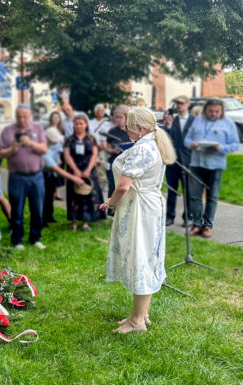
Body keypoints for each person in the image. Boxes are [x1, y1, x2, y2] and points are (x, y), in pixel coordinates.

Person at [100, 107, 176, 334]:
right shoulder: (151, 142)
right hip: (147, 204)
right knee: (146, 255)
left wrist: (111, 203)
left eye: (128, 125)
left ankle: (137, 322)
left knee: (140, 256)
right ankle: (141, 313)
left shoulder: (143, 149)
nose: (125, 129)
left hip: (141, 209)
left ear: (140, 128)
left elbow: (123, 185)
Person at [184, 98, 240, 238]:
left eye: (217, 111)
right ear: (205, 110)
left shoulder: (228, 123)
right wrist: (192, 144)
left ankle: (207, 225)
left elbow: (235, 145)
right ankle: (196, 224)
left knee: (212, 196)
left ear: (221, 111)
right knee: (195, 196)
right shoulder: (197, 120)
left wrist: (220, 148)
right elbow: (187, 139)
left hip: (215, 165)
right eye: (211, 111)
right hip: (196, 163)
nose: (214, 113)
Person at [0, 104, 47, 250]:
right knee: (17, 210)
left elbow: (44, 149)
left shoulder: (38, 128)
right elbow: (0, 154)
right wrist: (12, 149)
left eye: (24, 116)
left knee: (37, 209)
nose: (22, 119)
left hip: (36, 176)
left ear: (30, 116)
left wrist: (30, 143)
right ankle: (17, 240)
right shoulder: (8, 131)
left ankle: (35, 238)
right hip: (17, 177)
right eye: (19, 116)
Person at [64, 116, 106, 231]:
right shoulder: (69, 139)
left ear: (86, 125)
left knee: (88, 196)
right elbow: (67, 155)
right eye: (76, 124)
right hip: (74, 171)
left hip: (89, 171)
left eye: (81, 124)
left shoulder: (91, 139)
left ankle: (85, 222)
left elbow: (94, 154)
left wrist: (87, 170)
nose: (78, 126)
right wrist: (76, 171)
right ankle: (73, 222)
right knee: (74, 195)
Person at [42, 124, 85, 226]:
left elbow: (57, 154)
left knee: (50, 196)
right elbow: (56, 168)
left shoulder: (52, 145)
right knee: (44, 197)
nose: (55, 141)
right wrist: (74, 178)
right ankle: (42, 220)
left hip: (51, 175)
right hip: (44, 174)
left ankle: (48, 216)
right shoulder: (43, 150)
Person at [165, 95, 194, 227]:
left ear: (188, 104)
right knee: (172, 190)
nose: (179, 106)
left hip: (189, 161)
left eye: (181, 103)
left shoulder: (194, 121)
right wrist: (168, 126)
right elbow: (166, 140)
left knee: (188, 191)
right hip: (173, 162)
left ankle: (188, 216)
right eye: (177, 104)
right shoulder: (173, 121)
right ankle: (170, 216)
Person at [103, 106, 130, 198]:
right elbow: (107, 148)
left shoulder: (131, 130)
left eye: (120, 117)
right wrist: (113, 150)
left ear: (126, 117)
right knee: (113, 185)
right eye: (116, 117)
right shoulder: (112, 131)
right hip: (114, 161)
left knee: (126, 187)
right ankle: (111, 209)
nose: (118, 119)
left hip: (128, 163)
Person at [44, 111, 66, 201]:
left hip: (60, 153)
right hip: (51, 154)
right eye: (54, 117)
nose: (56, 119)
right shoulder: (47, 129)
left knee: (59, 174)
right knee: (51, 174)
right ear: (51, 118)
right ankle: (51, 192)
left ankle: (57, 192)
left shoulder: (61, 129)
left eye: (57, 117)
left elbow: (63, 142)